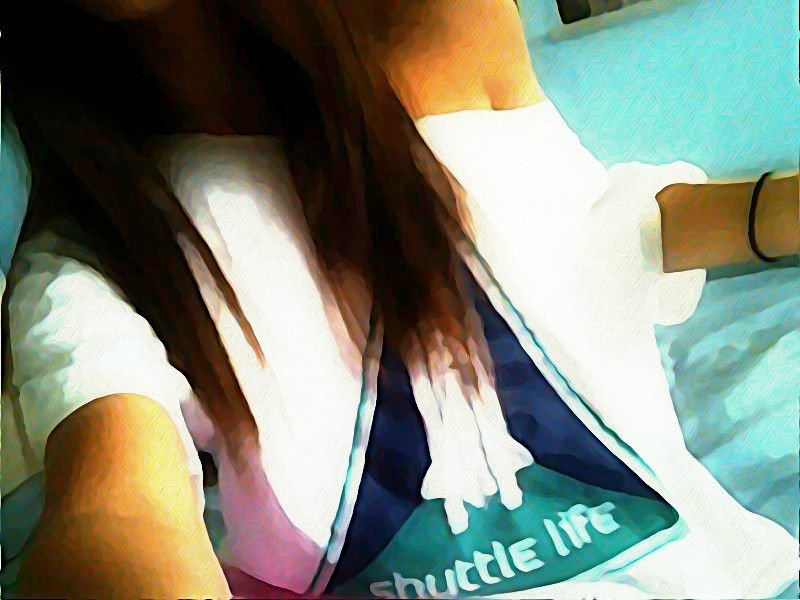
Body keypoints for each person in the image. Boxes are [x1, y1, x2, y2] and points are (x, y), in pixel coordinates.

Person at [2, 1, 797, 598]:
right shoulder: (94, 247)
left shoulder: (448, 28)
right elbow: (114, 506)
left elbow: (578, 223)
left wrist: (776, 206)